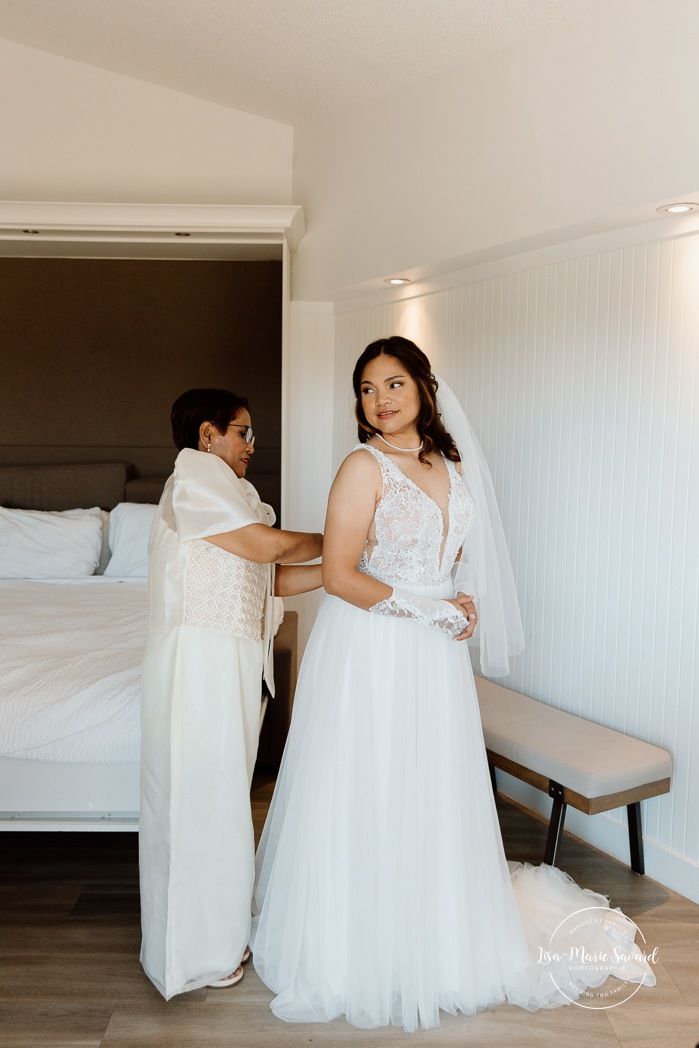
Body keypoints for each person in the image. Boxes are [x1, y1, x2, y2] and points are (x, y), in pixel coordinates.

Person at [250, 337, 654, 1031]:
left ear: (423, 390)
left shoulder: (451, 462)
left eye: (393, 383)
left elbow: (458, 551)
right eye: (368, 388)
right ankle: (361, 940)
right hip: (373, 648)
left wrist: (461, 601)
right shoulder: (361, 466)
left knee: (430, 780)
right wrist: (433, 608)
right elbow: (342, 576)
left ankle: (440, 925)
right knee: (371, 778)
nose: (380, 399)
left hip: (435, 654)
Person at [139, 388, 323, 1000]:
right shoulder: (194, 477)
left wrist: (349, 560)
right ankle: (194, 953)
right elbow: (270, 548)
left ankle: (217, 935)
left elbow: (274, 576)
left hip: (230, 661)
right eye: (242, 433)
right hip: (200, 662)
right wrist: (341, 534)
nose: (251, 445)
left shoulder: (226, 496)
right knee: (200, 803)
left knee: (219, 802)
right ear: (208, 434)